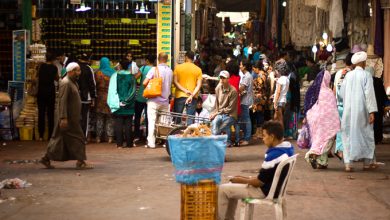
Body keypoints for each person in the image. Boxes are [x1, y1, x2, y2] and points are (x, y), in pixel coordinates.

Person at [218, 121, 294, 220]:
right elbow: (265, 176)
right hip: (276, 189)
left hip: (264, 191)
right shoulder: (288, 148)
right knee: (230, 188)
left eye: (264, 136)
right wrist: (243, 178)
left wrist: (240, 180)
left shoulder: (273, 155)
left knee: (223, 189)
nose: (263, 139)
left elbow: (258, 182)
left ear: (272, 137)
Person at [39, 62, 92, 169]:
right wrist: (63, 118)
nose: (79, 73)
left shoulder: (73, 83)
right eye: (77, 70)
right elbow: (62, 101)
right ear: (70, 71)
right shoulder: (66, 83)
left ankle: (46, 158)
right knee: (78, 138)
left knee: (60, 139)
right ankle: (80, 162)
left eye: (79, 70)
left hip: (72, 118)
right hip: (67, 118)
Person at [340, 51, 378, 172]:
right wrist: (372, 111)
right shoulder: (366, 75)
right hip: (362, 111)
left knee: (348, 135)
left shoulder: (348, 76)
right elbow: (369, 94)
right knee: (366, 134)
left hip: (348, 111)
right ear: (362, 62)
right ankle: (367, 163)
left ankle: (348, 164)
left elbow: (341, 94)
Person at [304, 70, 340, 169]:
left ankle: (322, 162)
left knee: (317, 139)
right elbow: (332, 108)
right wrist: (336, 121)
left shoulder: (312, 90)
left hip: (314, 119)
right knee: (327, 140)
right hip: (327, 121)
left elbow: (307, 104)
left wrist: (306, 117)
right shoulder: (328, 92)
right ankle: (314, 155)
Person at [143, 52, 173, 148]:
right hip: (165, 101)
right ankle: (164, 141)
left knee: (152, 121)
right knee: (164, 122)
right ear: (167, 59)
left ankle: (151, 143)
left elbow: (144, 83)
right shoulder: (170, 71)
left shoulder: (153, 69)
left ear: (158, 59)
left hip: (153, 100)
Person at [107, 60, 136, 148]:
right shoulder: (131, 77)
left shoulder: (115, 76)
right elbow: (133, 91)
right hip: (129, 104)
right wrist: (126, 101)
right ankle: (129, 143)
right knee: (128, 124)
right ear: (128, 66)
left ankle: (119, 144)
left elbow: (112, 90)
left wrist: (119, 102)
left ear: (120, 66)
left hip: (118, 103)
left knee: (118, 123)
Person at [173, 51, 202, 125]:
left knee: (177, 118)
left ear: (186, 57)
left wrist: (185, 90)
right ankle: (189, 135)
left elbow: (175, 82)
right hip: (192, 97)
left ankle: (176, 134)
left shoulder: (178, 68)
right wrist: (191, 95)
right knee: (190, 120)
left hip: (180, 95)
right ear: (193, 59)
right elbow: (198, 86)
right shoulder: (198, 70)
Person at [210, 71, 238, 147]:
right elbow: (217, 104)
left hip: (230, 115)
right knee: (214, 123)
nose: (222, 80)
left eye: (224, 78)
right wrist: (214, 113)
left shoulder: (233, 91)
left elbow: (230, 108)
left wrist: (216, 113)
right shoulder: (218, 88)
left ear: (228, 79)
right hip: (220, 113)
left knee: (221, 127)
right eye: (221, 78)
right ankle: (217, 142)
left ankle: (218, 142)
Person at [333, 53, 353, 159]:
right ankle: (342, 151)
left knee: (340, 129)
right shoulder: (353, 74)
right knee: (348, 130)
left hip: (338, 105)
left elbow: (334, 90)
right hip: (348, 106)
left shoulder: (338, 73)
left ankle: (340, 149)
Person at [37, 51, 59, 141]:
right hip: (50, 92)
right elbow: (57, 79)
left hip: (41, 92)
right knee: (50, 114)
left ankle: (41, 135)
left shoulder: (41, 66)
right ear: (53, 59)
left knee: (41, 113)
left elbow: (36, 76)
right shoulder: (54, 68)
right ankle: (50, 135)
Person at [134, 55, 155, 144]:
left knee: (137, 117)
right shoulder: (155, 69)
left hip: (140, 96)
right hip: (150, 97)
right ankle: (148, 136)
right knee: (149, 118)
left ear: (146, 60)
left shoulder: (143, 68)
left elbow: (135, 78)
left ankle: (137, 135)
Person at [94, 57, 115, 143]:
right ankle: (110, 137)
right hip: (110, 98)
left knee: (99, 118)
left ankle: (98, 137)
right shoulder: (113, 73)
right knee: (110, 118)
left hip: (100, 98)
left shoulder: (97, 73)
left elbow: (94, 85)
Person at [77, 53, 96, 138]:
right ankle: (83, 137)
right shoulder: (89, 69)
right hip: (85, 97)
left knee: (75, 117)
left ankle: (75, 136)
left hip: (75, 97)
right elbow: (92, 84)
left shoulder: (74, 68)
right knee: (85, 117)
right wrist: (93, 97)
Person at [237, 59, 254, 146]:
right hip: (245, 100)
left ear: (244, 66)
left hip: (245, 100)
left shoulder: (247, 76)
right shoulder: (246, 76)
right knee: (245, 119)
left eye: (241, 65)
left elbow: (241, 88)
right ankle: (245, 137)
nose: (240, 66)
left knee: (246, 119)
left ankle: (247, 138)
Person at [251, 61, 267, 139]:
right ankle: (258, 132)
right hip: (260, 96)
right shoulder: (263, 74)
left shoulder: (260, 75)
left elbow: (259, 87)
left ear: (257, 68)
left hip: (259, 97)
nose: (254, 71)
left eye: (254, 69)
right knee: (259, 114)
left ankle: (260, 132)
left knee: (259, 114)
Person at [272, 59, 290, 130]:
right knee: (277, 118)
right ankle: (277, 133)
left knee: (279, 119)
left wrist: (275, 102)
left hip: (279, 101)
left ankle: (281, 134)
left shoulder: (280, 79)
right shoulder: (286, 79)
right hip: (283, 100)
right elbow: (285, 90)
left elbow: (278, 91)